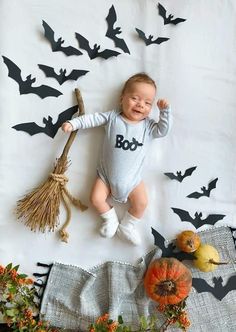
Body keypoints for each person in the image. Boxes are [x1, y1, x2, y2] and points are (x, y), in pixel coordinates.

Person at [61, 73, 171, 245]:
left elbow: (163, 130)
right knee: (96, 199)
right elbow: (93, 119)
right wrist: (74, 123)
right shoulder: (113, 118)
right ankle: (110, 219)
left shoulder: (148, 127)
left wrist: (165, 112)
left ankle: (128, 226)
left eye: (147, 103)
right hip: (105, 177)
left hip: (133, 180)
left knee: (141, 203)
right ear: (122, 98)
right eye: (135, 98)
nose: (140, 104)